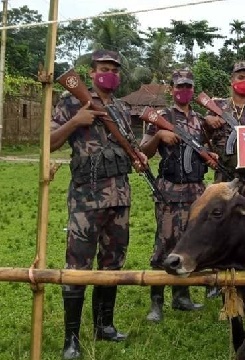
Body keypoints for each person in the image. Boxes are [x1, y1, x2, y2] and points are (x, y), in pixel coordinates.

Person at [50, 49, 147, 359]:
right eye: (104, 69)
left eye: (115, 70)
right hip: (85, 200)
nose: (110, 75)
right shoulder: (70, 101)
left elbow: (129, 144)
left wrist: (139, 157)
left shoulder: (120, 108)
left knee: (112, 265)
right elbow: (48, 142)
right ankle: (71, 338)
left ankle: (104, 325)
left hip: (119, 200)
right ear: (91, 72)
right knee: (78, 267)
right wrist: (76, 121)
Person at [140, 69, 218, 321]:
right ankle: (156, 302)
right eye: (179, 86)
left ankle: (182, 296)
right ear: (172, 89)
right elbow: (144, 152)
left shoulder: (199, 119)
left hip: (195, 191)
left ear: (193, 90)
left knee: (187, 244)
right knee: (165, 243)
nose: (184, 90)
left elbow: (201, 148)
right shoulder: (161, 116)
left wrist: (210, 156)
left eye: (188, 87)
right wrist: (160, 135)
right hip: (170, 192)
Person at [203, 61, 245, 298]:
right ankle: (217, 279)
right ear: (231, 80)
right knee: (219, 226)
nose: (243, 81)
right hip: (224, 176)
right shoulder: (216, 108)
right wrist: (208, 125)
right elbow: (201, 140)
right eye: (239, 76)